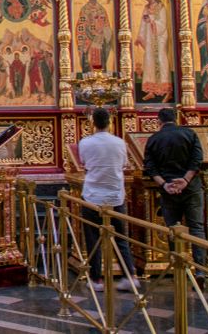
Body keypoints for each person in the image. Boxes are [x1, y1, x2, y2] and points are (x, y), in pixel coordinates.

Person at [78, 107, 140, 292]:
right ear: (110, 122)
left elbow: (84, 164)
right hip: (115, 197)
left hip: (92, 196)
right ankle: (130, 276)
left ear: (93, 123)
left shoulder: (85, 143)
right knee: (121, 238)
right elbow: (123, 164)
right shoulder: (120, 143)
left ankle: (96, 280)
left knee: (93, 240)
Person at [143, 107, 207, 283]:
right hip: (191, 187)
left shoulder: (154, 139)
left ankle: (178, 268)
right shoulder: (189, 134)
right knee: (196, 228)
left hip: (168, 190)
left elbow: (150, 167)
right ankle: (200, 270)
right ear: (176, 118)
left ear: (159, 121)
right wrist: (185, 181)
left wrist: (165, 184)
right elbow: (197, 161)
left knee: (173, 229)